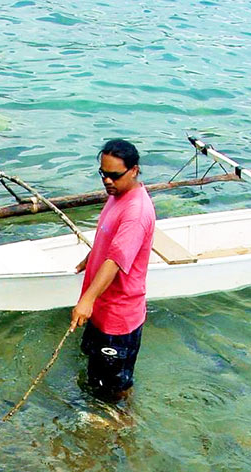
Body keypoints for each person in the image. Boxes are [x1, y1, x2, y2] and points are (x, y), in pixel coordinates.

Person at [70, 139, 156, 398]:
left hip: (118, 317)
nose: (107, 181)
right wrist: (90, 256)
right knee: (93, 376)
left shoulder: (136, 212)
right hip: (101, 306)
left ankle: (124, 429)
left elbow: (116, 261)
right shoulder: (117, 195)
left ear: (134, 171)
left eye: (114, 176)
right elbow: (109, 239)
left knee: (114, 388)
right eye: (103, 174)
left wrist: (86, 300)